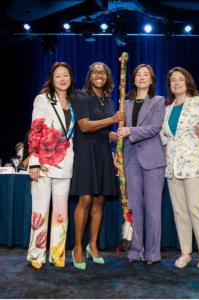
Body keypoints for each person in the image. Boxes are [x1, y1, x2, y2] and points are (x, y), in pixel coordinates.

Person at [160, 66, 199, 269]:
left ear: (187, 82)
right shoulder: (167, 109)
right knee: (179, 211)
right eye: (173, 80)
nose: (176, 83)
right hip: (173, 166)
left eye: (180, 79)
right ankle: (185, 253)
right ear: (169, 85)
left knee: (195, 208)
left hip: (194, 163)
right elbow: (164, 137)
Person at [70, 62, 124, 270]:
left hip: (102, 152)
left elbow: (103, 130)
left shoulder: (109, 101)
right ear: (89, 75)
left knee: (99, 200)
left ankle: (92, 246)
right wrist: (112, 119)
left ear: (108, 76)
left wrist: (115, 134)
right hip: (85, 151)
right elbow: (84, 125)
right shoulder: (80, 96)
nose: (99, 75)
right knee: (85, 198)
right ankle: (77, 247)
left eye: (103, 72)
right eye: (95, 72)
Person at [26, 62, 75, 269]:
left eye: (66, 75)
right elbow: (36, 130)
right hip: (44, 162)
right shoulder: (43, 99)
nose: (62, 79)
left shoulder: (73, 102)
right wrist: (34, 161)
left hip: (65, 162)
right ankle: (37, 254)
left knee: (61, 212)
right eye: (58, 76)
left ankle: (57, 254)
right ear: (52, 80)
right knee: (41, 210)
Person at [117, 64, 166, 264]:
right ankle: (136, 250)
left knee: (153, 208)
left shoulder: (158, 101)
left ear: (152, 80)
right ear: (133, 79)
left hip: (153, 159)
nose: (142, 77)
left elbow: (155, 128)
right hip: (130, 159)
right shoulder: (124, 103)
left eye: (146, 74)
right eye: (139, 74)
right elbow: (119, 131)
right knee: (134, 208)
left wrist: (130, 131)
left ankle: (153, 252)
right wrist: (117, 152)